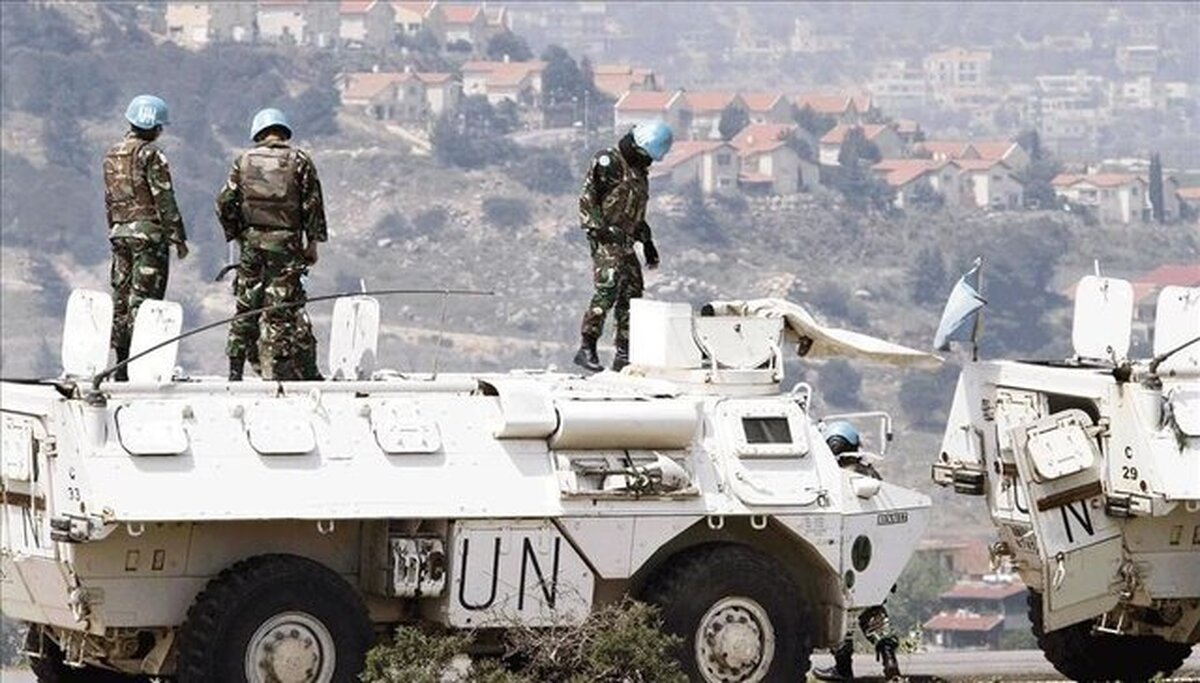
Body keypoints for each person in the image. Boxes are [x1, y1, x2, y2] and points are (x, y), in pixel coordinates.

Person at [216, 108, 325, 381]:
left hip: (252, 244)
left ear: (258, 133)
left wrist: (237, 235)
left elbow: (224, 203)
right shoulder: (300, 160)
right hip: (286, 245)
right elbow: (313, 206)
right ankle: (278, 370)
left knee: (246, 306)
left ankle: (235, 371)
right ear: (284, 132)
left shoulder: (243, 161)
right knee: (281, 308)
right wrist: (312, 244)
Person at [573, 120, 673, 373]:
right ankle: (587, 346)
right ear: (639, 148)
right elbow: (588, 196)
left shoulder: (639, 173)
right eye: (647, 156)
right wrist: (597, 228)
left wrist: (647, 243)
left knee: (632, 292)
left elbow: (634, 214)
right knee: (608, 286)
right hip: (606, 239)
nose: (649, 162)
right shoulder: (609, 162)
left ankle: (624, 353)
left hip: (626, 242)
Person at [103, 94, 189, 381]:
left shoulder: (112, 154)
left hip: (119, 232)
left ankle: (120, 364)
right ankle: (139, 365)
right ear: (155, 127)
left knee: (121, 298)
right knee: (144, 300)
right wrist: (178, 237)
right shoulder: (151, 155)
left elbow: (109, 199)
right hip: (148, 235)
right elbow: (164, 198)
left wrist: (115, 228)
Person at [813, 421, 904, 682]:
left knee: (839, 614)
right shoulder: (870, 475)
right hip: (871, 557)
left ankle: (843, 669)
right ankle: (889, 658)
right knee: (873, 612)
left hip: (838, 557)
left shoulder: (827, 477)